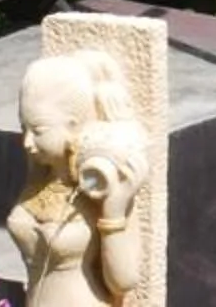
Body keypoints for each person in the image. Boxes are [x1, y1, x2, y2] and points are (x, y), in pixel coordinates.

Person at [9, 49, 150, 306]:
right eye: (23, 128)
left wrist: (114, 209)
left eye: (38, 130)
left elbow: (124, 281)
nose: (27, 141)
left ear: (73, 125)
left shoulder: (104, 183)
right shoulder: (40, 174)